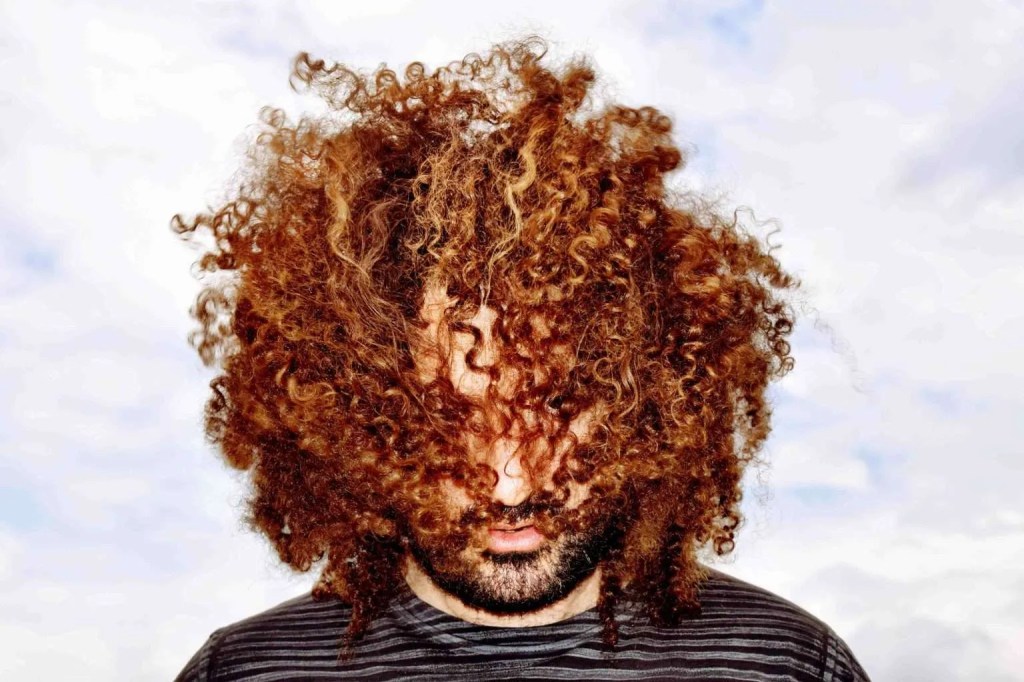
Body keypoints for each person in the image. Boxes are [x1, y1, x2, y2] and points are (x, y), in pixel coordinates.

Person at [172, 37, 869, 681]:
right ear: (357, 423)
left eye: (555, 409)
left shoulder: (784, 666)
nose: (510, 485)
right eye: (451, 420)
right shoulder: (247, 672)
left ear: (649, 411)